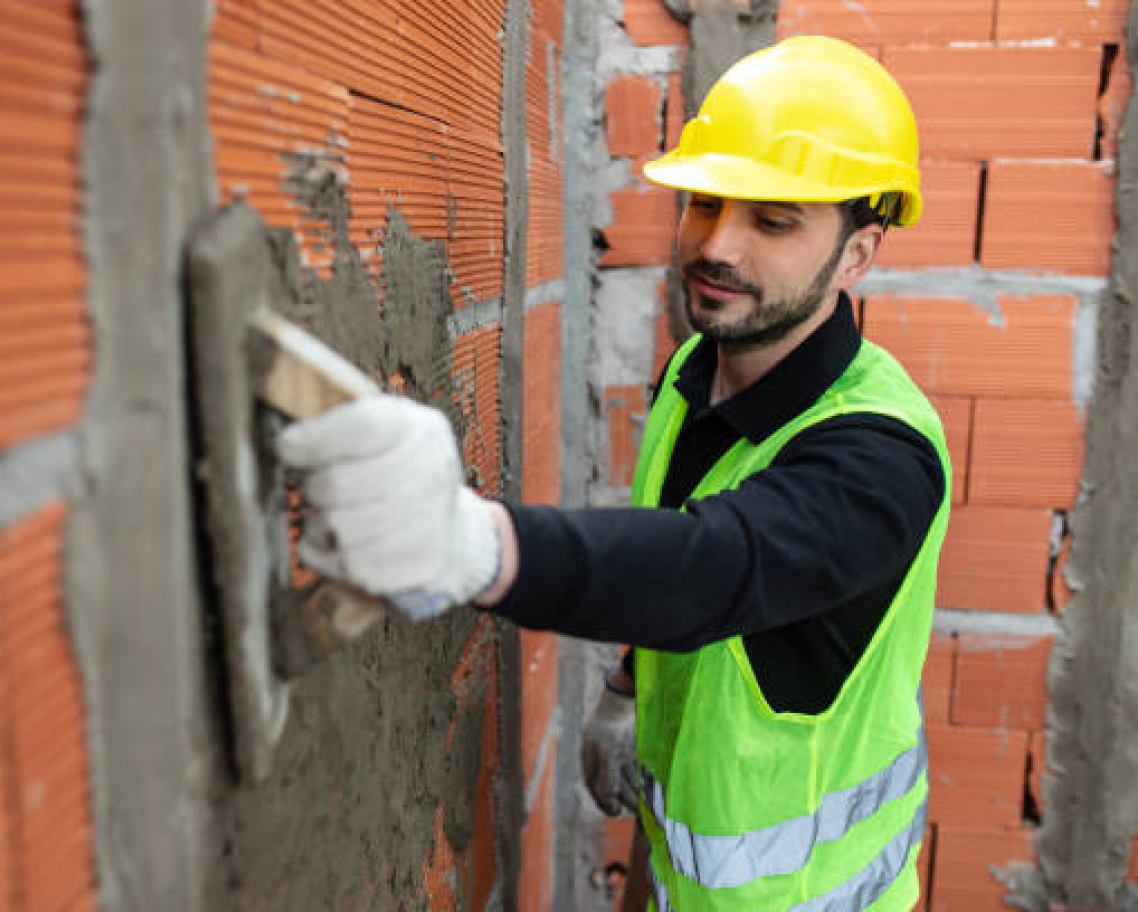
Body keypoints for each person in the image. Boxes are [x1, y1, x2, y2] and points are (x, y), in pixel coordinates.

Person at [278, 36, 950, 911]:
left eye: (772, 221)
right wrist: (628, 691)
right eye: (706, 203)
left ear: (858, 255)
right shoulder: (697, 370)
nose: (718, 246)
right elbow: (678, 551)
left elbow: (717, 565)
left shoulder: (883, 456)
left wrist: (472, 544)